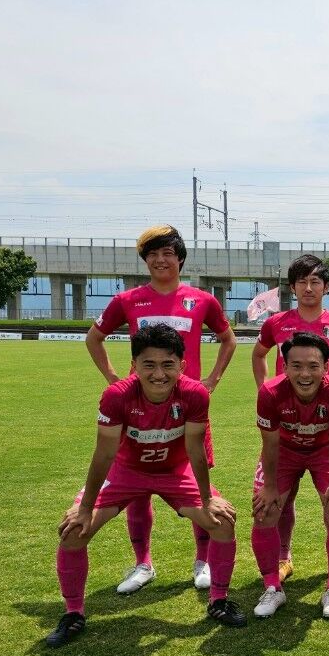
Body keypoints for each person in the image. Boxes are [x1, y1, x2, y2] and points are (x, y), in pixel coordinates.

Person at [46, 323, 245, 648]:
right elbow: (104, 454)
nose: (158, 374)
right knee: (74, 531)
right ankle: (73, 613)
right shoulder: (117, 396)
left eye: (168, 364)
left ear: (182, 365)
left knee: (222, 521)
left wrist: (208, 499)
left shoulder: (195, 393)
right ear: (134, 365)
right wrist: (85, 508)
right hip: (127, 471)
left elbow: (195, 448)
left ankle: (219, 600)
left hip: (174, 471)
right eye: (149, 364)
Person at [85, 225, 238, 593]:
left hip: (188, 409)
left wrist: (211, 381)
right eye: (152, 254)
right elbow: (94, 338)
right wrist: (114, 378)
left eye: (167, 252)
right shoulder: (127, 300)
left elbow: (228, 339)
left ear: (180, 259)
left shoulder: (202, 300)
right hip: (139, 409)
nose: (160, 260)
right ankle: (143, 563)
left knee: (197, 482)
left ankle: (203, 560)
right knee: (136, 486)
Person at [250, 255, 329, 583]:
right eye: (302, 281)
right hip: (285, 428)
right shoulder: (276, 323)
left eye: (316, 281)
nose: (309, 288)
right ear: (293, 287)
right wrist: (265, 391)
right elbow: (258, 354)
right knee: (276, 501)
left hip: (324, 430)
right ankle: (282, 558)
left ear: (326, 287)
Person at [249, 332, 329, 620]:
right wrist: (270, 486)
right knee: (264, 510)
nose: (305, 374)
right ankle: (272, 587)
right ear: (284, 367)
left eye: (313, 366)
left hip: (324, 451)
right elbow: (270, 444)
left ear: (326, 367)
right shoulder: (270, 392)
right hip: (284, 451)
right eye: (296, 366)